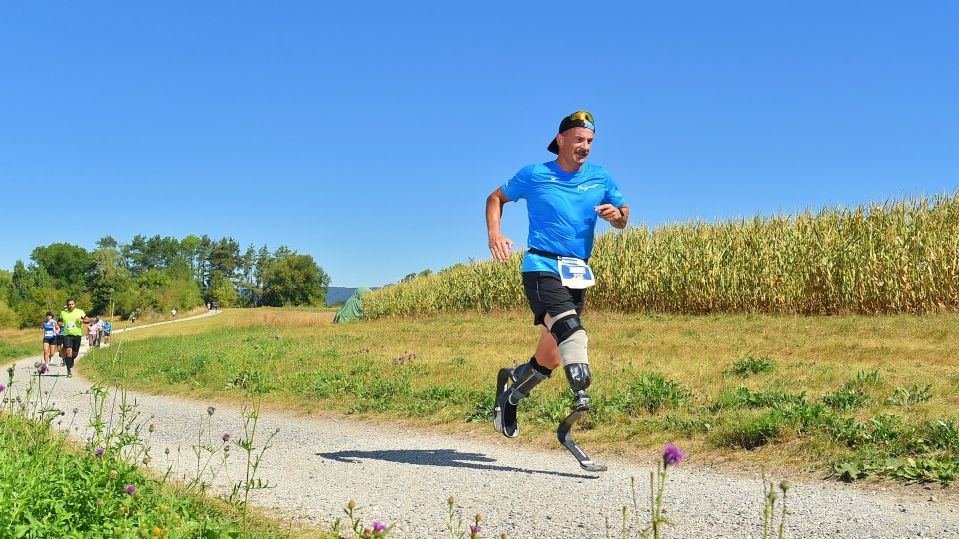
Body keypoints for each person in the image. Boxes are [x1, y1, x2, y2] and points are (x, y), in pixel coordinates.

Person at [486, 110, 629, 469]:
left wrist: (618, 217)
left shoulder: (600, 177)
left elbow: (624, 215)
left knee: (549, 357)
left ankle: (512, 394)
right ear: (561, 139)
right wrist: (494, 233)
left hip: (578, 272)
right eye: (579, 139)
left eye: (590, 142)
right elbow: (495, 198)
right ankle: (581, 396)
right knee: (571, 332)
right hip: (541, 267)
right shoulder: (534, 175)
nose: (585, 147)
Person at [59, 298, 90, 377]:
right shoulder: (63, 313)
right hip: (67, 335)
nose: (70, 306)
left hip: (77, 335)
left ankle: (72, 360)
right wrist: (61, 324)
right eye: (69, 304)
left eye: (72, 304)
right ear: (67, 305)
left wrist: (82, 321)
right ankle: (68, 370)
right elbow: (59, 321)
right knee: (68, 351)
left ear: (74, 304)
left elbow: (88, 320)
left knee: (75, 353)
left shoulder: (80, 312)